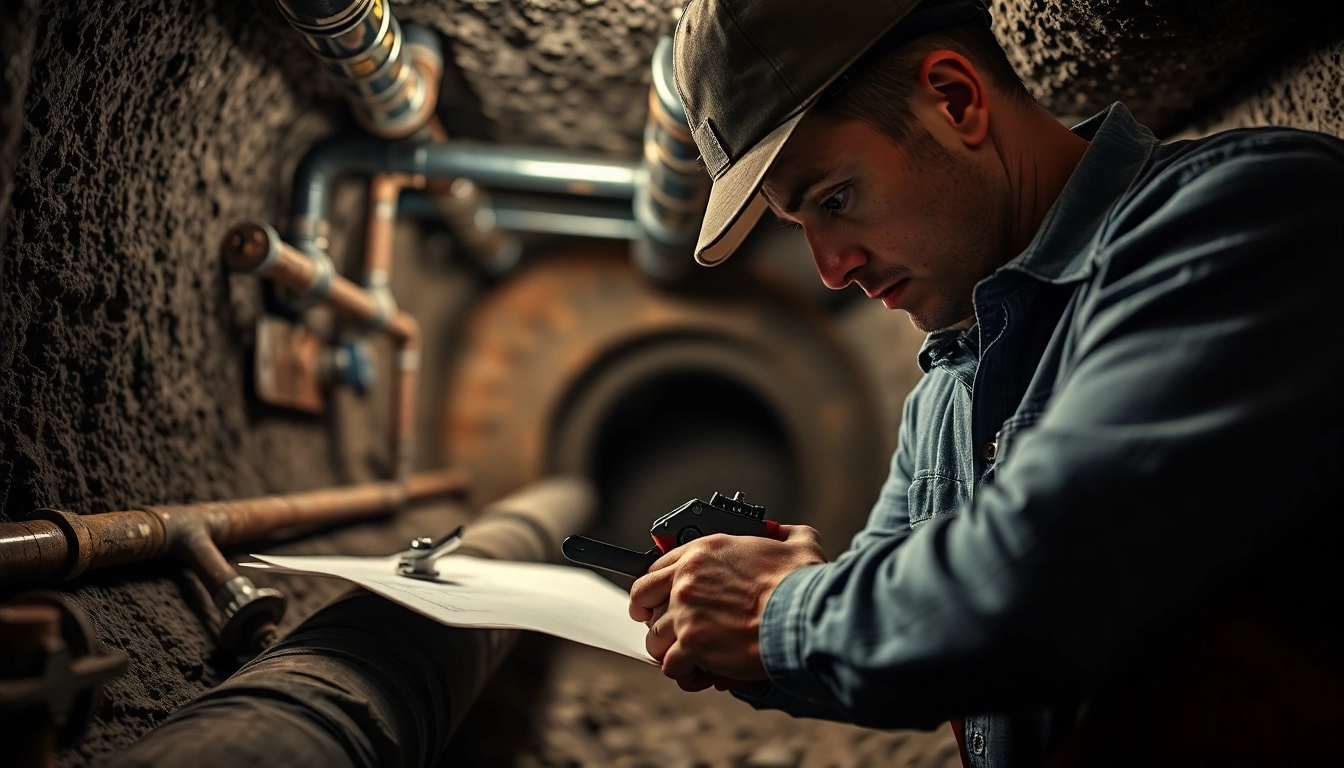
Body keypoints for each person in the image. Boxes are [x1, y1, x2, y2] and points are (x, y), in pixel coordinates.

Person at [626, 1, 1344, 765]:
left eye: (835, 199)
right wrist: (735, 625)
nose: (832, 269)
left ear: (955, 100)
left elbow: (1043, 582)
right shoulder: (944, 388)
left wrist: (775, 608)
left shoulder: (1242, 217)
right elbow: (920, 645)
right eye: (800, 226)